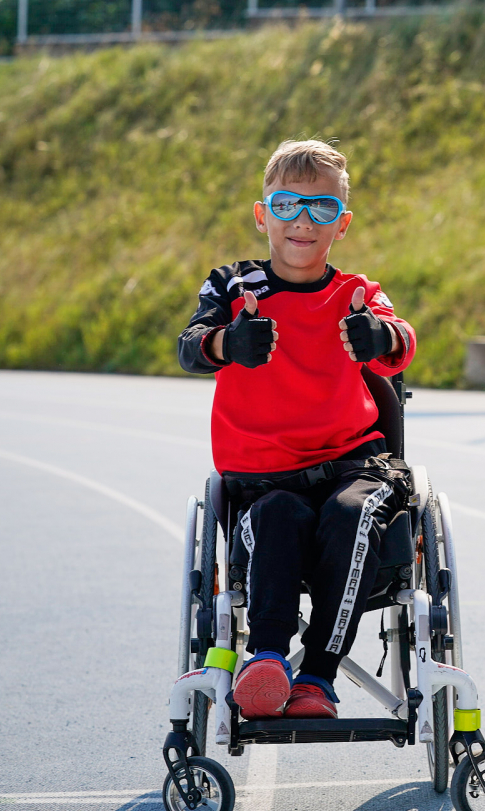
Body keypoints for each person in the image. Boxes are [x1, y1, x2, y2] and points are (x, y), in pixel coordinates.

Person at [177, 140, 416, 720]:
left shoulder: (357, 293)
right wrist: (228, 342)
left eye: (321, 208)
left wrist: (378, 336)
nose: (303, 221)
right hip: (262, 479)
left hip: (353, 465)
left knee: (351, 515)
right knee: (279, 517)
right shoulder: (233, 287)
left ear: (342, 223)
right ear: (263, 216)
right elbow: (190, 346)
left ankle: (315, 678)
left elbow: (402, 338)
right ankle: (266, 660)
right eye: (287, 205)